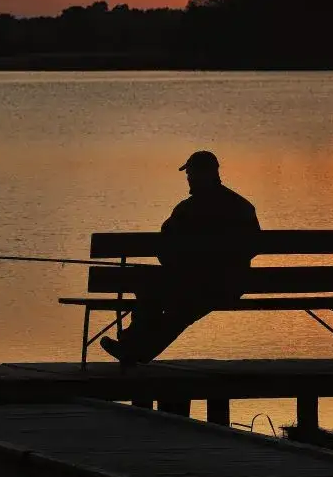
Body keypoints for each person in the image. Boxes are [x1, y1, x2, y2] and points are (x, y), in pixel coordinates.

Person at [100, 151, 260, 365]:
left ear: (203, 175)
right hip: (231, 286)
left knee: (157, 292)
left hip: (196, 285)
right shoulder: (241, 206)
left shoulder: (187, 210)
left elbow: (163, 251)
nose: (188, 178)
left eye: (191, 173)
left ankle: (133, 346)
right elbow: (254, 246)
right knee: (177, 311)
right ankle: (133, 347)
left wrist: (187, 267)